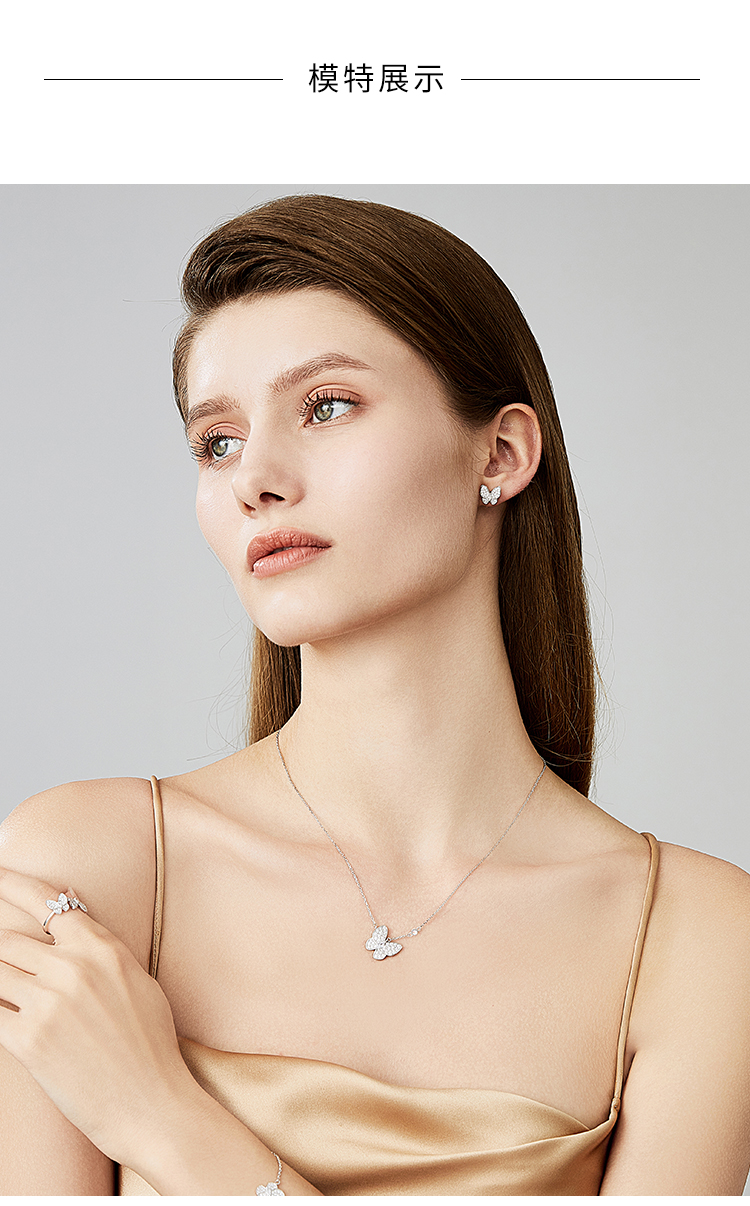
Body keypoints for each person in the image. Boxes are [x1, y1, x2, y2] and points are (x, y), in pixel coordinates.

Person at [0, 193, 748, 1196]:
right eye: (217, 441)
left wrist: (168, 1124)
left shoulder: (698, 942)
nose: (255, 478)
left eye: (326, 406)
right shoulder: (90, 870)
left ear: (500, 453)